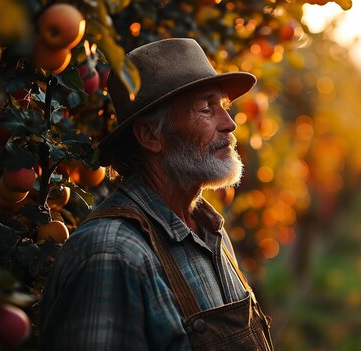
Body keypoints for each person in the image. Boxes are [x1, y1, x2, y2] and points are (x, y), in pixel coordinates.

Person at [40, 38, 274, 350]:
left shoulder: (208, 231)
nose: (229, 124)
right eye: (207, 108)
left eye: (224, 107)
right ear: (151, 135)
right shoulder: (110, 255)